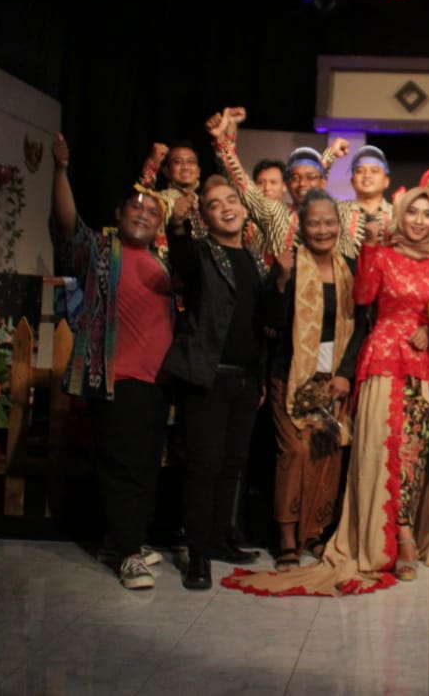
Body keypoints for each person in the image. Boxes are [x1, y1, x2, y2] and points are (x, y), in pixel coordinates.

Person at [223, 188, 429, 596]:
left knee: (395, 455)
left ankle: (342, 534)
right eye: (412, 212)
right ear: (400, 216)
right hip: (356, 367)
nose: (419, 220)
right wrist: (368, 249)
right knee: (345, 453)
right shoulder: (372, 257)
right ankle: (332, 539)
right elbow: (360, 301)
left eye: (427, 214)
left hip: (406, 371)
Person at [50, 133, 175, 591]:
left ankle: (122, 540)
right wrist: (61, 170)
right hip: (116, 376)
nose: (142, 213)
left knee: (145, 466)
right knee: (121, 466)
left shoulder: (162, 260)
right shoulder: (101, 250)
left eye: (152, 211)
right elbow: (67, 223)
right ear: (119, 214)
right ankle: (128, 555)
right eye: (135, 207)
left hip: (157, 381)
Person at [161, 176, 270, 590]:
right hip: (207, 376)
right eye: (214, 204)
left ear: (243, 209)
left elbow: (259, 324)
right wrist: (177, 225)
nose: (226, 207)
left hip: (246, 379)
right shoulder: (201, 253)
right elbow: (181, 255)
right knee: (203, 466)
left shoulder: (256, 260)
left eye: (231, 200)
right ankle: (198, 556)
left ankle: (222, 539)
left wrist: (260, 375)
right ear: (204, 217)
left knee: (232, 464)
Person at [264, 189, 366, 570]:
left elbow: (361, 327)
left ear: (339, 225)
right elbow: (271, 324)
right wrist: (281, 280)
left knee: (326, 451)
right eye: (314, 223)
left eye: (329, 222)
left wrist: (345, 374)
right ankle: (287, 539)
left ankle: (315, 534)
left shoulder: (351, 267)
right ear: (301, 227)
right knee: (296, 451)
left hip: (332, 377)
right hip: (290, 374)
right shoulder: (288, 265)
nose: (323, 230)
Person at [208, 107, 346, 264]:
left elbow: (315, 176)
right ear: (287, 183)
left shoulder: (333, 217)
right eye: (295, 178)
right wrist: (222, 143)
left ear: (323, 182)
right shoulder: (275, 214)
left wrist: (330, 155)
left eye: (310, 177)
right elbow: (243, 187)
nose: (302, 183)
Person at [337, 145, 393, 259]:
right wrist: (331, 155)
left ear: (386, 181)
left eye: (374, 171)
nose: (367, 175)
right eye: (360, 171)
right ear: (352, 181)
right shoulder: (337, 210)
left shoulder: (397, 213)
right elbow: (313, 191)